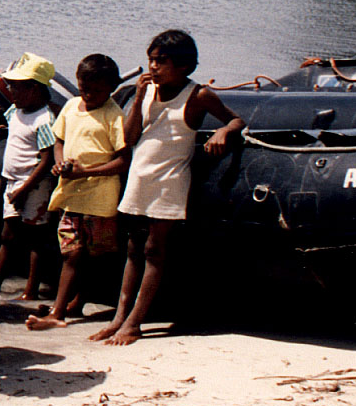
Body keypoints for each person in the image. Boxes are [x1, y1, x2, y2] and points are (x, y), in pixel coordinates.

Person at [91, 30, 244, 345]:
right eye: (151, 59)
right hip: (140, 175)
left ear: (184, 66)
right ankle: (119, 317)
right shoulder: (147, 92)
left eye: (162, 61)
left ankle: (135, 322)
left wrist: (222, 132)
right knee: (133, 247)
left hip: (170, 179)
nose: (154, 66)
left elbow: (236, 119)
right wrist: (136, 100)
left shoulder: (197, 95)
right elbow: (130, 138)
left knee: (154, 250)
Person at [27, 54, 127, 330]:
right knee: (71, 252)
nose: (90, 95)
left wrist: (87, 172)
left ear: (111, 89)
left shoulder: (114, 115)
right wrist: (60, 161)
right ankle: (60, 311)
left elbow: (122, 160)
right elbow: (59, 138)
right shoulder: (71, 106)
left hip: (99, 200)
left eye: (97, 91)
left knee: (92, 255)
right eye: (85, 89)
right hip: (71, 196)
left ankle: (73, 304)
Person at [0, 54, 58, 300]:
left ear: (34, 88)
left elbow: (47, 159)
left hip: (33, 185)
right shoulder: (15, 111)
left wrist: (25, 189)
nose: (11, 91)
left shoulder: (45, 119)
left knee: (36, 237)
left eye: (16, 86)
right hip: (13, 182)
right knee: (7, 235)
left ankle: (31, 291)